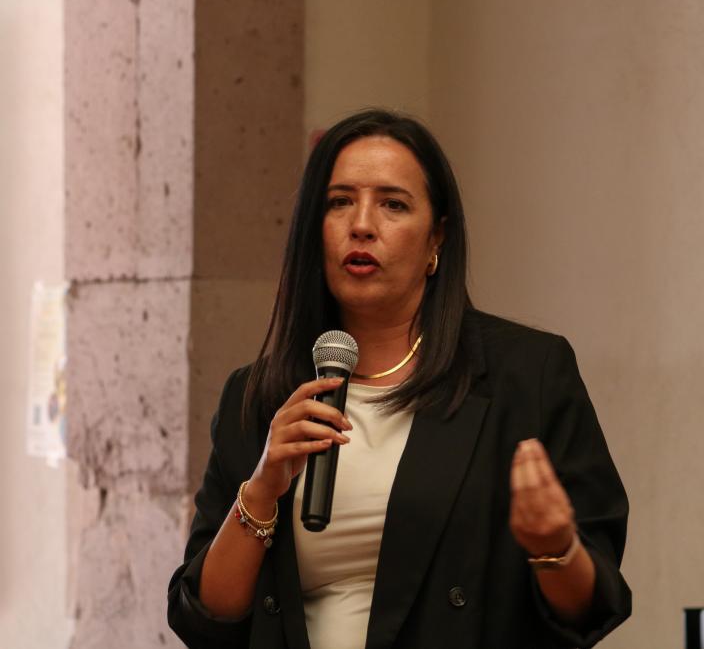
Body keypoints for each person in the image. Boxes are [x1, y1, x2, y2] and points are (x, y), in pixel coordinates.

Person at [167, 109, 630, 649]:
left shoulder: (526, 374)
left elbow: (592, 607)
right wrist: (263, 488)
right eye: (339, 202)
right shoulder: (258, 396)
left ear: (437, 238)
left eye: (393, 204)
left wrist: (555, 548)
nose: (361, 224)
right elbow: (205, 619)